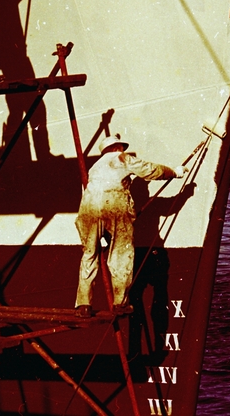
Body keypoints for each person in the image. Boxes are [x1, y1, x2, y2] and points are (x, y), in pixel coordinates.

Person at [75, 133, 180, 317]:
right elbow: (151, 170)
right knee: (120, 254)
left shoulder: (95, 167)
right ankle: (120, 303)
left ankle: (83, 305)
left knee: (89, 254)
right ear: (117, 148)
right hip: (114, 205)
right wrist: (174, 172)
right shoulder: (122, 158)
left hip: (88, 209)